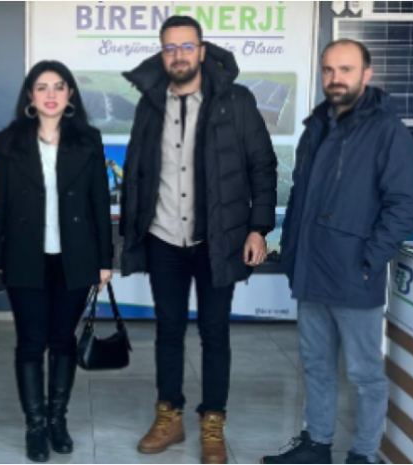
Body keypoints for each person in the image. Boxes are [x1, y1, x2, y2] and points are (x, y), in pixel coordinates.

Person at [119, 15, 278, 465]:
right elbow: (136, 170)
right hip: (164, 238)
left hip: (218, 240)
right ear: (162, 54)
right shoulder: (150, 104)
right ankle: (168, 416)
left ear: (202, 51)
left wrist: (258, 228)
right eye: (170, 48)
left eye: (186, 46)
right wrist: (131, 232)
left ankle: (213, 422)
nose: (179, 55)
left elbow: (263, 166)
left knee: (214, 332)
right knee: (168, 331)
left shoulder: (237, 101)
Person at [263, 39, 413, 465]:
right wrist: (291, 251)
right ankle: (317, 445)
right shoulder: (316, 127)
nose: (336, 78)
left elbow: (405, 205)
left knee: (364, 374)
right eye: (329, 70)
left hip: (354, 274)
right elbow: (300, 198)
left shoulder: (387, 131)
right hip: (310, 270)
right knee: (316, 366)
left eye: (346, 69)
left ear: (366, 74)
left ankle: (363, 454)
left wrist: (369, 259)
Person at [0, 60, 112, 463]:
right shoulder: (9, 141)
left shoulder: (88, 140)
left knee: (62, 340)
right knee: (30, 342)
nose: (51, 94)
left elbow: (99, 203)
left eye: (58, 86)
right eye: (42, 87)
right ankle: (35, 426)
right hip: (25, 256)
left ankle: (58, 420)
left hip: (75, 257)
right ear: (30, 96)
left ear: (70, 94)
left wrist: (105, 260)